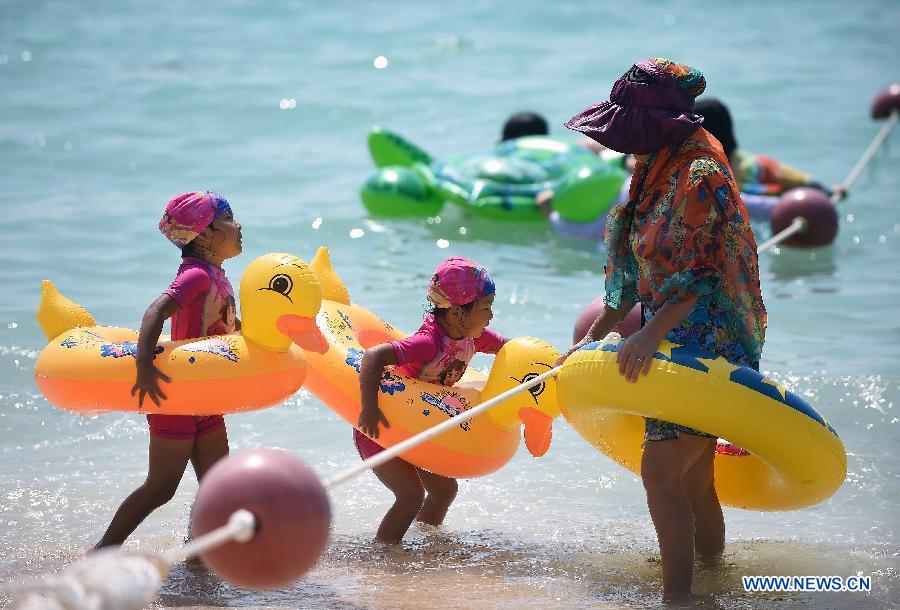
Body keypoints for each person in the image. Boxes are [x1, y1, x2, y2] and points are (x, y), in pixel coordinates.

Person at [558, 58, 767, 598]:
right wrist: (596, 336)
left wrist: (648, 336)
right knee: (695, 480)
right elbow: (632, 270)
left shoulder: (700, 173)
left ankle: (677, 599)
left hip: (714, 333)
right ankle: (710, 582)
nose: (623, 142)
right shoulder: (652, 166)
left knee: (660, 472)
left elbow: (702, 273)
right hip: (668, 328)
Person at [93, 191, 242, 549]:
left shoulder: (215, 275)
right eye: (229, 219)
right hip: (176, 396)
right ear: (204, 235)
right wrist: (143, 363)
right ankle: (102, 551)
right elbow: (155, 311)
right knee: (161, 489)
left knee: (216, 486)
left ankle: (198, 553)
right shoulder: (196, 275)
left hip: (205, 397)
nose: (238, 226)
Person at [356, 257, 505, 543]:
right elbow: (374, 357)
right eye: (486, 308)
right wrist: (369, 408)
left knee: (445, 491)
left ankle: (425, 540)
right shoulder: (428, 343)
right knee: (410, 495)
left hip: (419, 428)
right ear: (457, 312)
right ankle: (385, 554)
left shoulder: (475, 338)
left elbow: (509, 349)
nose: (491, 316)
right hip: (382, 428)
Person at [694, 97, 846, 202]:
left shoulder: (753, 167)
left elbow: (807, 182)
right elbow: (807, 182)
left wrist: (832, 193)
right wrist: (830, 192)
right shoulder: (757, 165)